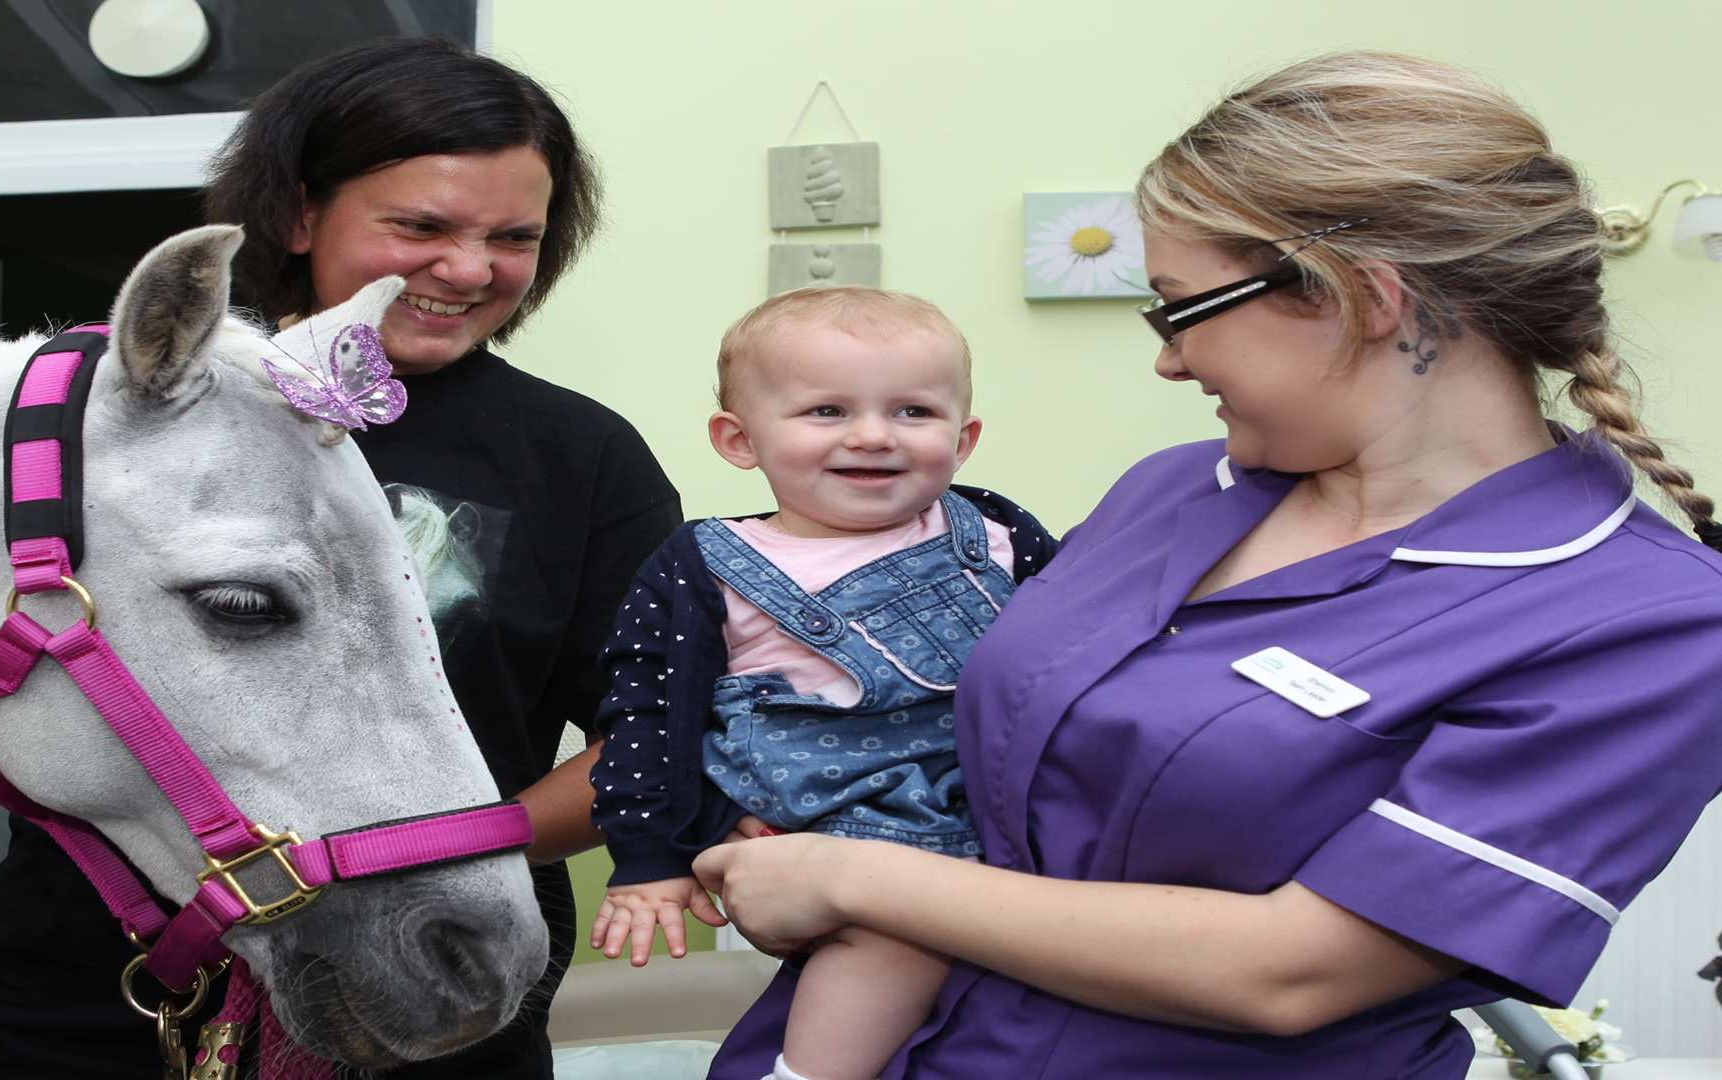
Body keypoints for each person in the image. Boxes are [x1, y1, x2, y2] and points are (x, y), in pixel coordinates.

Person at [693, 51, 1722, 1079]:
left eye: (1181, 309)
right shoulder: (1177, 490)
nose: (1168, 360)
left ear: (1361, 296)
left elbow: (1294, 973)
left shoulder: (1645, 621)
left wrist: (851, 880)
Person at [0, 37, 677, 1079]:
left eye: (514, 237)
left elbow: (658, 737)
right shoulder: (114, 421)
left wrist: (428, 854)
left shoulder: (578, 458)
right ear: (297, 215)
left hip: (419, 998)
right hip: (83, 994)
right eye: (420, 226)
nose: (469, 268)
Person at [586, 287, 1056, 1080]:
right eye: (826, 412)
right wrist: (648, 856)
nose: (874, 436)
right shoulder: (707, 565)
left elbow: (1081, 654)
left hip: (1000, 806)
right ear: (740, 440)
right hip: (836, 823)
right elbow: (648, 711)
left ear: (964, 437)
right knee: (891, 931)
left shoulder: (998, 532)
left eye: (913, 412)